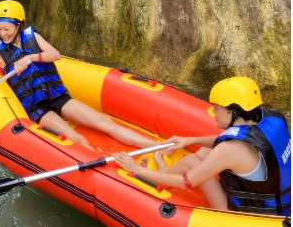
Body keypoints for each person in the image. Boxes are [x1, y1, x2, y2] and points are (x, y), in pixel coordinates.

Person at [0, 0, 158, 151]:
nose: (2, 33)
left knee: (105, 123)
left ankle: (158, 146)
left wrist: (31, 58)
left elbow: (55, 55)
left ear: (18, 25)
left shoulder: (32, 37)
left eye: (6, 28)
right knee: (75, 138)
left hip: (58, 97)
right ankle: (105, 165)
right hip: (37, 109)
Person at [113, 76, 291, 216]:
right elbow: (227, 142)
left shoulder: (230, 149)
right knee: (212, 147)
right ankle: (164, 172)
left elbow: (186, 183)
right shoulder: (268, 120)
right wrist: (190, 140)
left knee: (191, 161)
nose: (213, 112)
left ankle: (155, 178)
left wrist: (137, 169)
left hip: (244, 215)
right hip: (278, 205)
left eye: (217, 107)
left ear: (232, 111)